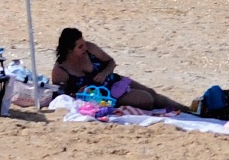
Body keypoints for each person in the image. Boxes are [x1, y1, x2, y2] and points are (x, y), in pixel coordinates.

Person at [51, 27, 189, 113]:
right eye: (80, 47)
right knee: (147, 100)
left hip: (114, 81)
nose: (84, 48)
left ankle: (189, 110)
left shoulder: (90, 49)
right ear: (69, 50)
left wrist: (104, 73)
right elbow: (61, 97)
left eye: (84, 43)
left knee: (153, 94)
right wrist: (77, 94)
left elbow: (111, 62)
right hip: (105, 97)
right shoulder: (61, 70)